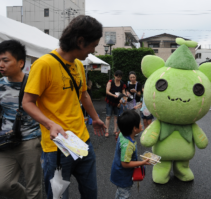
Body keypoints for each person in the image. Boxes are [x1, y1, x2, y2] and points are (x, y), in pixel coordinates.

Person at [22, 15, 106, 199]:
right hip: (56, 146)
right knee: (58, 196)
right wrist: (50, 124)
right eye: (93, 45)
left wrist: (96, 118)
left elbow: (84, 94)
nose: (93, 51)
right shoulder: (43, 64)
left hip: (82, 141)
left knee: (90, 193)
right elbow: (27, 102)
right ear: (80, 41)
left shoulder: (77, 64)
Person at [0, 40, 42, 199]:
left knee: (34, 187)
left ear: (21, 63)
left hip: (31, 141)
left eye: (5, 60)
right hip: (5, 142)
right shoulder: (0, 85)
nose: (1, 65)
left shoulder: (34, 83)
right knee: (3, 185)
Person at [110, 110, 150, 199]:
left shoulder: (122, 134)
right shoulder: (128, 145)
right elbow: (125, 163)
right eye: (139, 123)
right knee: (124, 194)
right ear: (134, 129)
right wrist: (142, 163)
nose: (141, 124)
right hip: (123, 176)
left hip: (118, 172)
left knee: (120, 192)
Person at [105, 70, 126, 138]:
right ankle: (107, 131)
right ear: (114, 75)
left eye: (120, 77)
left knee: (116, 116)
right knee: (108, 116)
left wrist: (124, 98)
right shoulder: (110, 82)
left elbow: (123, 92)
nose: (118, 78)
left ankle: (115, 130)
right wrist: (113, 95)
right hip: (110, 101)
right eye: (117, 77)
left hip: (118, 102)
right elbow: (107, 91)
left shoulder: (122, 83)